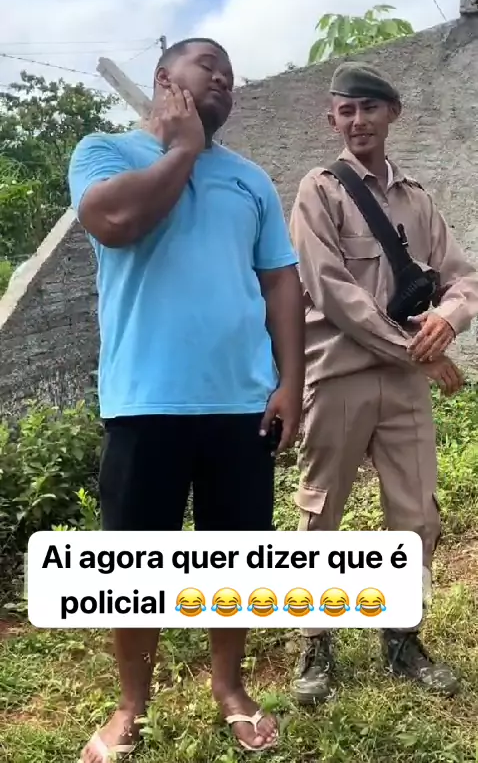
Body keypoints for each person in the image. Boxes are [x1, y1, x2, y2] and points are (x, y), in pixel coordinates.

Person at [68, 37, 305, 761]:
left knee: (235, 560)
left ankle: (230, 687)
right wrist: (183, 151)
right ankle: (131, 705)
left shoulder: (250, 180)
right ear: (164, 78)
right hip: (145, 404)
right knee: (136, 569)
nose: (225, 80)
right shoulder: (105, 152)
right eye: (210, 68)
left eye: (232, 75)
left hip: (242, 406)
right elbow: (114, 223)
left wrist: (291, 382)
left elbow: (280, 281)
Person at [288, 61, 478, 706]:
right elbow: (331, 292)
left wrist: (448, 320)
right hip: (339, 375)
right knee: (322, 513)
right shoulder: (319, 191)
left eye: (369, 108)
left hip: (403, 385)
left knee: (417, 513)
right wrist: (415, 353)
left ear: (392, 113)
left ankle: (402, 636)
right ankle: (316, 641)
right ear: (332, 120)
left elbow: (462, 277)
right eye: (346, 111)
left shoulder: (418, 200)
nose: (358, 121)